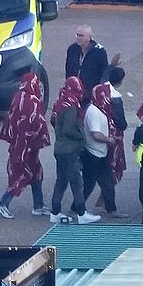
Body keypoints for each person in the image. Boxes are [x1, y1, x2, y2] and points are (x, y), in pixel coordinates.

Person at [0, 73, 51, 219]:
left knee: (36, 172)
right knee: (22, 174)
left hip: (23, 145)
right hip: (26, 146)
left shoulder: (19, 97)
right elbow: (29, 124)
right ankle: (3, 203)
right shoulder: (31, 101)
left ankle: (38, 205)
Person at [50, 77, 101, 224]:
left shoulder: (60, 102)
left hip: (60, 148)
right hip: (70, 149)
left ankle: (55, 211)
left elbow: (55, 122)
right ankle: (81, 212)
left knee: (61, 180)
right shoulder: (71, 106)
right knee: (76, 182)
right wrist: (81, 137)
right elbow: (69, 128)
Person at [81, 84, 127, 219]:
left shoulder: (99, 109)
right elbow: (95, 134)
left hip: (100, 153)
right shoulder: (94, 112)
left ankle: (111, 209)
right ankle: (77, 207)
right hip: (93, 154)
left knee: (107, 182)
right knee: (89, 184)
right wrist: (109, 140)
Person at [65, 24, 108, 105]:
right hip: (73, 93)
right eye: (77, 35)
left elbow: (104, 74)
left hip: (89, 95)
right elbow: (68, 69)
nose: (78, 38)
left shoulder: (99, 52)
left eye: (81, 36)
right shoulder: (72, 49)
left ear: (90, 37)